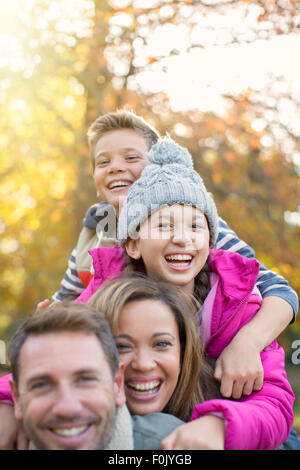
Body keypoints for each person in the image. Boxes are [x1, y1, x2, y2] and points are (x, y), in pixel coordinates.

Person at [0, 111, 298, 448]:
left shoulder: (201, 232)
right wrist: (12, 396)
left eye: (131, 157)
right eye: (104, 161)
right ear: (132, 242)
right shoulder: (99, 251)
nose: (183, 237)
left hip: (219, 405)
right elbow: (64, 325)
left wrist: (247, 343)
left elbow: (275, 290)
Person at [74, 138, 296, 449]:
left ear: (210, 240)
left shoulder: (237, 305)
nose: (182, 238)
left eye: (195, 226)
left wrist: (221, 425)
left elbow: (274, 402)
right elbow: (50, 354)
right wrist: (6, 402)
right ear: (133, 244)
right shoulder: (105, 293)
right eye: (164, 226)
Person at [7, 301, 184, 450]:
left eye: (86, 380)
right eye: (41, 385)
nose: (68, 408)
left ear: (117, 384)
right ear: (16, 398)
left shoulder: (172, 444)